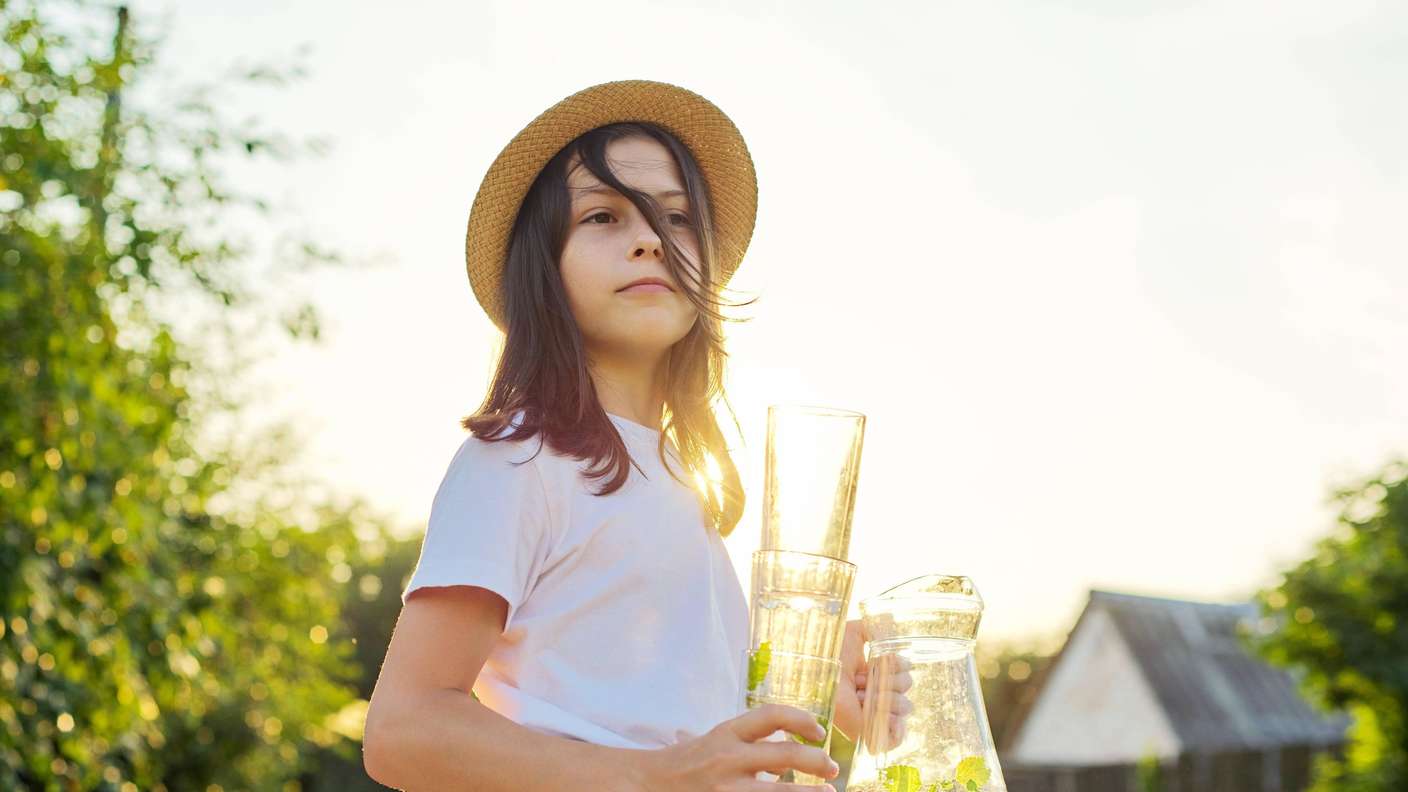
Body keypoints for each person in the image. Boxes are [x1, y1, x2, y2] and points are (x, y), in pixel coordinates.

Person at [361, 79, 908, 792]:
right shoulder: (518, 459)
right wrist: (658, 777)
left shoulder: (683, 485)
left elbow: (668, 721)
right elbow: (403, 731)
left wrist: (809, 677)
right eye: (603, 216)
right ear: (543, 267)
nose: (650, 239)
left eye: (677, 218)